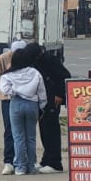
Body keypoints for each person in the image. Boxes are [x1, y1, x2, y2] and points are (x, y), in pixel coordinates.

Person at [0, 43, 47, 176]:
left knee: (18, 137)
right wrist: (41, 107)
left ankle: (20, 167)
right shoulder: (35, 73)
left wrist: (14, 92)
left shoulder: (9, 74)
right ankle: (31, 166)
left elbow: (4, 89)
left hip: (16, 103)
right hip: (32, 105)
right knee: (31, 137)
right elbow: (42, 93)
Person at [28, 41, 71, 173]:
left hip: (53, 99)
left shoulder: (49, 60)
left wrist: (59, 94)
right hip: (43, 100)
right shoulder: (38, 61)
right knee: (44, 130)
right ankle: (46, 159)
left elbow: (64, 76)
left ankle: (55, 162)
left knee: (51, 130)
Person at [0, 39, 24, 174]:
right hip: (8, 99)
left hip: (24, 98)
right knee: (10, 130)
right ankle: (9, 161)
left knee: (23, 131)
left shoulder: (26, 59)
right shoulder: (3, 59)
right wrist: (7, 84)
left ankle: (21, 160)